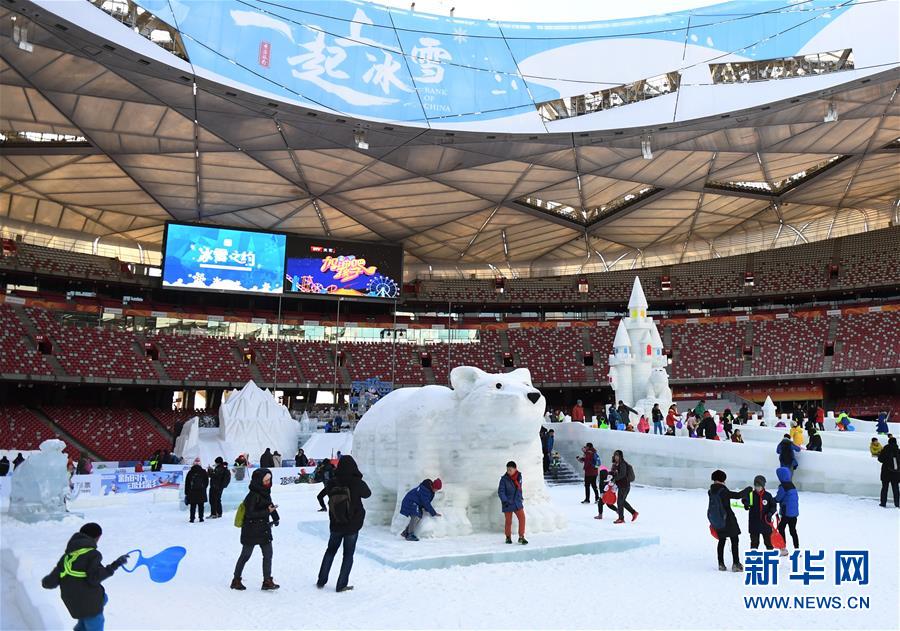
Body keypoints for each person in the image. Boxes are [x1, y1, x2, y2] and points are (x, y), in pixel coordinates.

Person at [42, 522, 129, 631]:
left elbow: (48, 583)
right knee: (95, 614)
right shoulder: (93, 555)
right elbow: (94, 578)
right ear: (98, 537)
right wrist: (115, 565)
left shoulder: (67, 557)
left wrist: (46, 581)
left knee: (89, 614)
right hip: (90, 605)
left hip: (72, 602)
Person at [317, 455, 371, 592]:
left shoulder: (332, 482)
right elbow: (368, 494)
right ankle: (341, 584)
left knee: (330, 551)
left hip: (336, 523)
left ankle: (321, 580)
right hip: (352, 525)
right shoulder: (356, 482)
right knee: (348, 555)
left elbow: (323, 495)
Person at [231, 468, 281, 591]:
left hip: (264, 529)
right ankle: (236, 580)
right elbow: (250, 514)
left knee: (268, 554)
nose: (268, 482)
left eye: (269, 480)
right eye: (266, 480)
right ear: (259, 481)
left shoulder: (265, 492)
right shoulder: (252, 495)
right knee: (245, 555)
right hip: (251, 530)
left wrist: (275, 517)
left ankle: (267, 580)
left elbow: (269, 504)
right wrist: (267, 511)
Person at [707, 470, 749, 571]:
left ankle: (721, 564)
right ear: (722, 479)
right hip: (728, 519)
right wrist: (747, 490)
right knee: (734, 539)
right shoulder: (723, 491)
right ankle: (736, 564)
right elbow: (737, 495)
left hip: (718, 520)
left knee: (722, 540)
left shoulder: (711, 491)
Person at [742, 475, 776, 550]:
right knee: (754, 542)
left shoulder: (768, 495)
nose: (757, 488)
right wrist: (746, 504)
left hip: (766, 522)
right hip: (754, 523)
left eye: (759, 486)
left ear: (763, 486)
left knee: (768, 542)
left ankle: (770, 555)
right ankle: (754, 555)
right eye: (756, 486)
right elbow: (744, 499)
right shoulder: (751, 494)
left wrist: (770, 513)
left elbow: (773, 506)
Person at [498, 461, 527, 544]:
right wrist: (505, 500)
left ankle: (521, 537)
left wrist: (520, 497)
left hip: (517, 502)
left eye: (510, 470)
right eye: (507, 470)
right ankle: (508, 537)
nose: (508, 471)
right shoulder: (504, 479)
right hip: (507, 503)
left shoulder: (519, 477)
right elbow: (501, 491)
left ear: (515, 469)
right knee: (508, 521)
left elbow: (519, 488)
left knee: (522, 518)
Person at [774, 467, 799, 556]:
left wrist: (771, 500)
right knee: (793, 531)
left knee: (781, 528)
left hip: (786, 513)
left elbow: (778, 498)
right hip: (794, 514)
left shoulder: (783, 487)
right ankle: (797, 549)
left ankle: (783, 548)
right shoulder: (792, 485)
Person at [609, 450, 638, 523]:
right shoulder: (616, 464)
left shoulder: (622, 464)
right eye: (615, 455)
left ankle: (621, 518)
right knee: (622, 501)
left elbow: (622, 474)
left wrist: (614, 479)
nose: (616, 457)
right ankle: (634, 513)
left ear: (620, 456)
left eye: (617, 455)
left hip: (625, 485)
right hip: (621, 485)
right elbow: (614, 473)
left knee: (620, 502)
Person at [877, 436, 900, 508]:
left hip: (886, 472)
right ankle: (897, 504)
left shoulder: (885, 449)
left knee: (884, 488)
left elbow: (880, 459)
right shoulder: (898, 450)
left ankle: (883, 503)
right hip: (896, 473)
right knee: (896, 488)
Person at [184, 457, 209, 523]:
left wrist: (186, 492)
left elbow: (187, 483)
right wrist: (204, 488)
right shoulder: (203, 472)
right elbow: (206, 481)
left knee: (193, 506)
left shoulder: (190, 472)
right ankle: (201, 518)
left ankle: (192, 518)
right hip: (201, 491)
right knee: (201, 505)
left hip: (192, 492)